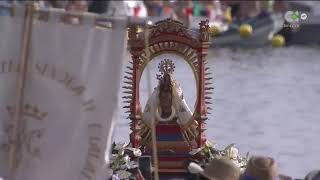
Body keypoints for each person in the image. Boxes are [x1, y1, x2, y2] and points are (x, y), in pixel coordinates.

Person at [140, 59, 198, 148]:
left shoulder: (181, 121)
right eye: (163, 91)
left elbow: (193, 145)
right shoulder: (153, 121)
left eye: (168, 92)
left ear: (174, 97)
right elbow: (143, 143)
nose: (165, 97)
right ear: (158, 96)